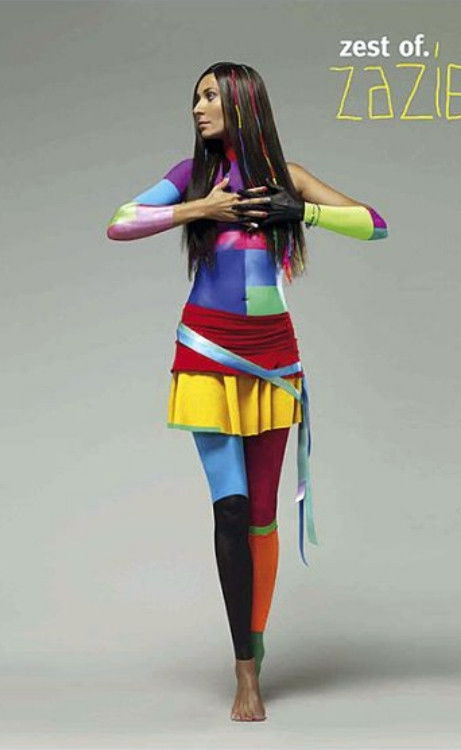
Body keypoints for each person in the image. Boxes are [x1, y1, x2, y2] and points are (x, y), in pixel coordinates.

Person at [106, 61, 388, 722]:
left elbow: (375, 224)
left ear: (242, 101)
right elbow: (120, 221)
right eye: (196, 97)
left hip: (274, 364)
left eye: (209, 95)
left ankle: (254, 652)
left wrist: (302, 210)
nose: (198, 107)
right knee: (230, 511)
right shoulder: (192, 175)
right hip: (207, 355)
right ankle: (244, 676)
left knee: (262, 515)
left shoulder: (287, 175)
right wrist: (201, 208)